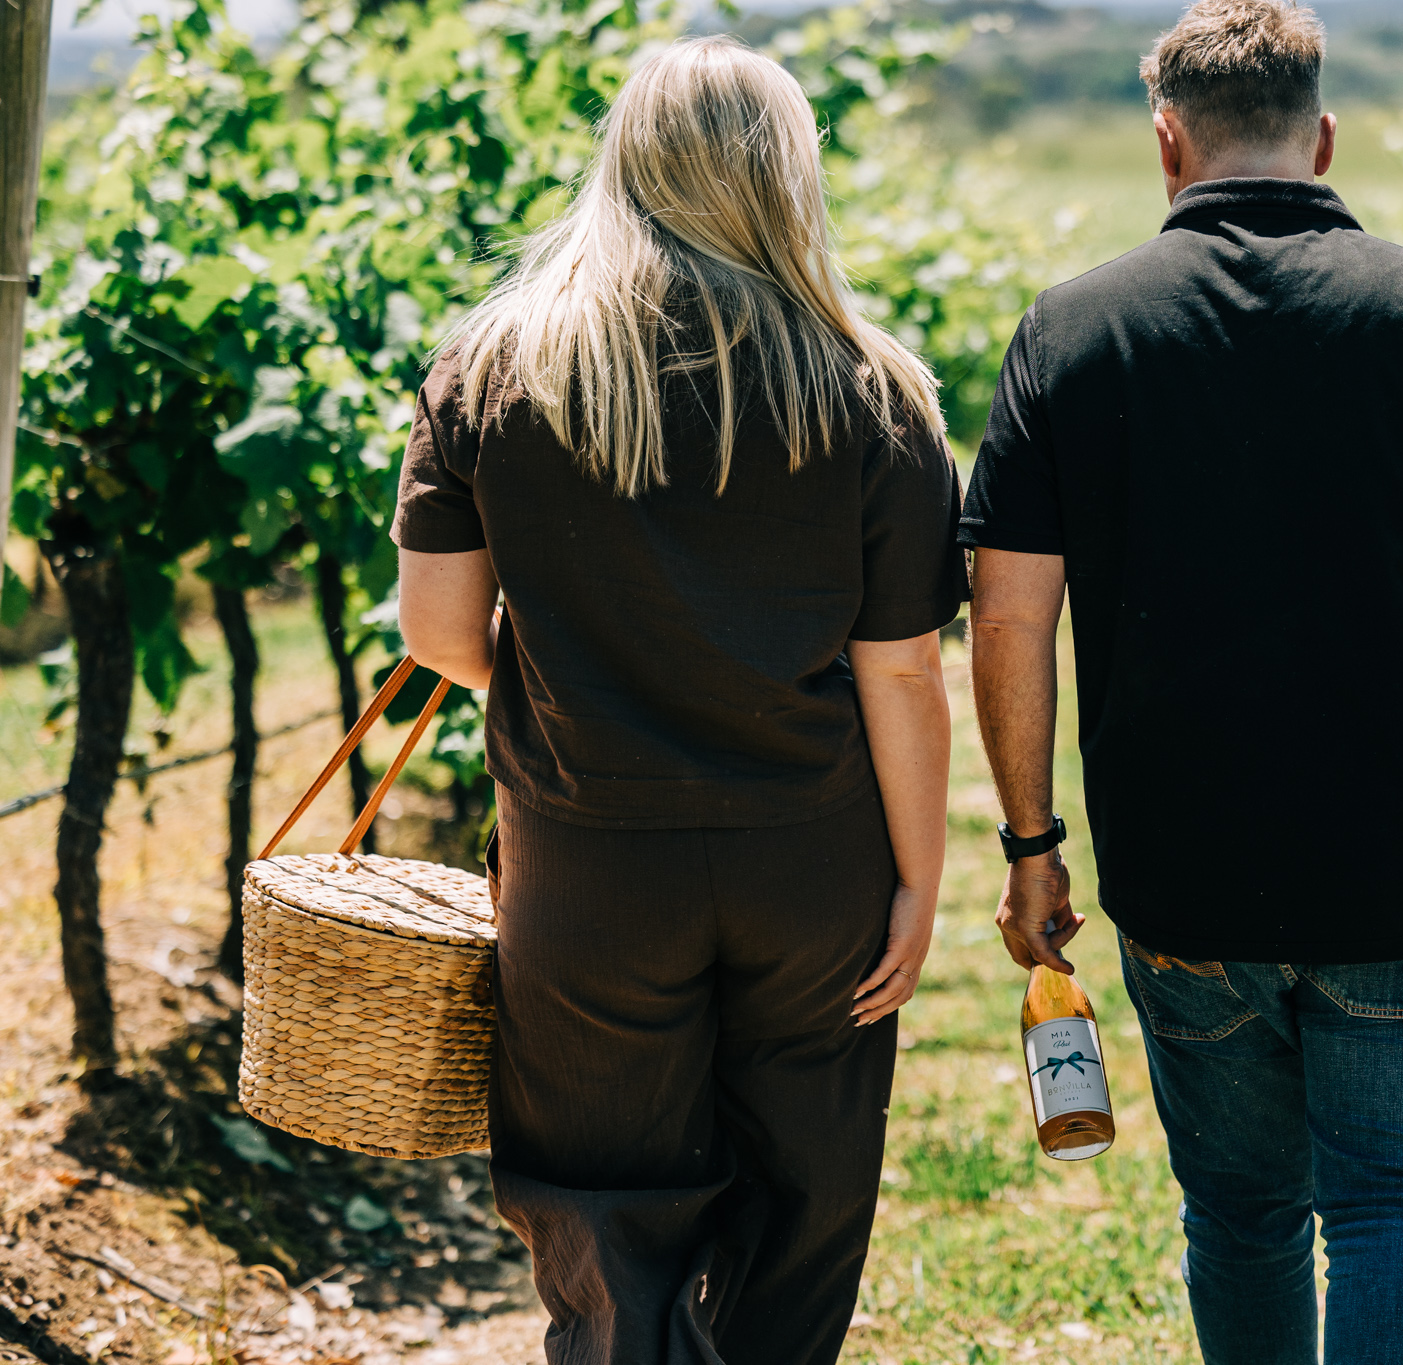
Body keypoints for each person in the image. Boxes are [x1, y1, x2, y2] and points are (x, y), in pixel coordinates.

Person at [963, 2, 1403, 1361]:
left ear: (1168, 143)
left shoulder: (1070, 332)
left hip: (1185, 880)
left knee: (1241, 1216)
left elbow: (1009, 613)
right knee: (1396, 1206)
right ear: (1324, 137)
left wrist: (1032, 847)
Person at [390, 37, 965, 1365]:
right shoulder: (873, 390)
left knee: (604, 1201)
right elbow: (902, 668)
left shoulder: (494, 369)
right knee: (805, 1194)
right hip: (810, 859)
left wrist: (584, 671)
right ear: (788, 177)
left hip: (589, 861)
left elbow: (438, 634)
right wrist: (918, 881)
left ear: (624, 163)